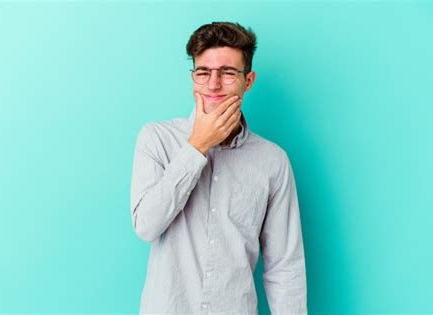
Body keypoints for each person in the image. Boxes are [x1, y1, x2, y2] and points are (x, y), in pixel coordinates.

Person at [130, 21, 307, 314]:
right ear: (193, 78)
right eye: (203, 73)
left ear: (248, 81)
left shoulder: (272, 161)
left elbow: (285, 267)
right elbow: (146, 225)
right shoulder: (157, 139)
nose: (213, 84)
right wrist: (197, 146)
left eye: (227, 73)